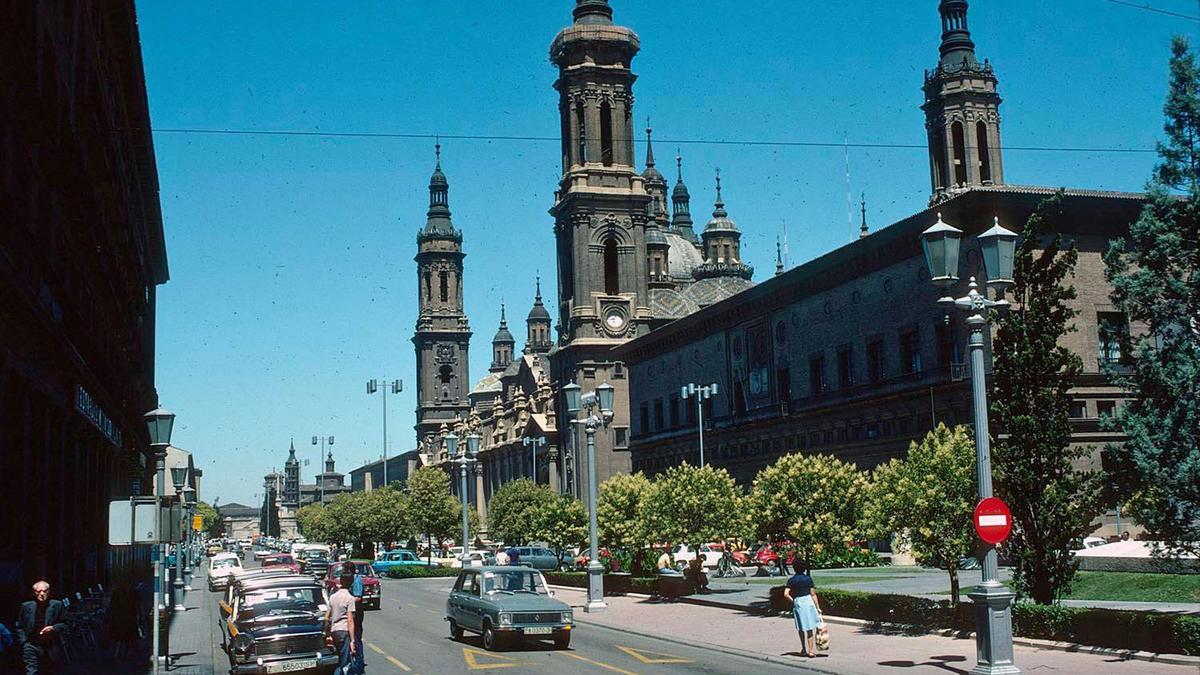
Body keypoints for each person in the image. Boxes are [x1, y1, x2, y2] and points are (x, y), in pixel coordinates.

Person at [16, 580, 66, 674]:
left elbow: (65, 623)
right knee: (31, 672)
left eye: (44, 591)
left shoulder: (57, 604)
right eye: (38, 591)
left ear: (49, 591)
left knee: (50, 671)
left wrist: (54, 628)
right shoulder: (26, 606)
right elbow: (20, 626)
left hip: (50, 645)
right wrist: (24, 642)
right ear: (34, 592)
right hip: (31, 644)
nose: (42, 593)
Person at [782, 563, 823, 658]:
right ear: (804, 568)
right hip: (808, 601)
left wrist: (794, 601)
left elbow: (786, 594)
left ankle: (803, 649)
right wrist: (818, 607)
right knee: (809, 627)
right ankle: (811, 651)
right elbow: (813, 594)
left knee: (801, 628)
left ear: (794, 568)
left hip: (798, 602)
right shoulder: (808, 579)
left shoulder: (791, 580)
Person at [324, 569, 357, 675]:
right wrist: (352, 640)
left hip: (334, 631)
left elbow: (326, 617)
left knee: (337, 660)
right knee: (345, 663)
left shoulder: (333, 597)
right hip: (344, 631)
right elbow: (350, 620)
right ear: (351, 583)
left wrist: (327, 633)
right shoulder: (350, 599)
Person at [344, 562, 366, 675]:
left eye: (344, 570)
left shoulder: (356, 580)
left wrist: (346, 599)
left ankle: (359, 663)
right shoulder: (351, 579)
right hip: (352, 610)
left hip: (356, 612)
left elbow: (358, 598)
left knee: (356, 637)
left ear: (349, 571)